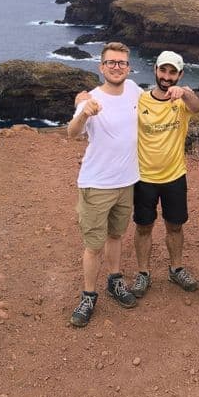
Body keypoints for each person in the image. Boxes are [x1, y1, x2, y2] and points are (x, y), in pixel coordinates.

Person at [67, 42, 141, 328]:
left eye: (122, 63)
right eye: (111, 63)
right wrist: (83, 110)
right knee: (93, 245)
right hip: (96, 184)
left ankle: (115, 280)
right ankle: (88, 294)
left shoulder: (135, 89)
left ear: (128, 66)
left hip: (127, 182)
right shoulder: (92, 99)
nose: (117, 67)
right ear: (101, 67)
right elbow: (72, 133)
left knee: (115, 236)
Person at [130, 51, 199, 298]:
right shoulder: (140, 100)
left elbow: (198, 106)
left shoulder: (182, 102)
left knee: (175, 226)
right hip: (143, 178)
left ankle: (176, 268)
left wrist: (185, 92)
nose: (167, 77)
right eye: (163, 70)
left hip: (174, 176)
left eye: (173, 72)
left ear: (180, 74)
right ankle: (143, 273)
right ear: (155, 70)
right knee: (143, 227)